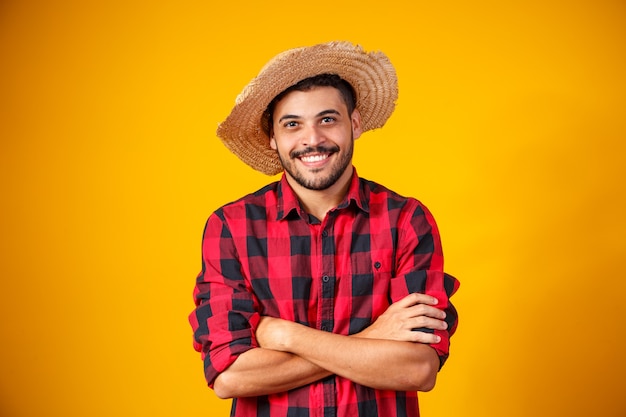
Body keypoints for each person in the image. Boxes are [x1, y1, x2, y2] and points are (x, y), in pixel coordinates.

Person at [189, 41, 459, 417]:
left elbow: (417, 368)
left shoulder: (407, 220)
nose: (312, 139)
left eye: (327, 119)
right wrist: (372, 338)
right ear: (273, 137)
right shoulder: (232, 227)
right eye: (292, 124)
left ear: (356, 123)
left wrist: (286, 336)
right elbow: (231, 376)